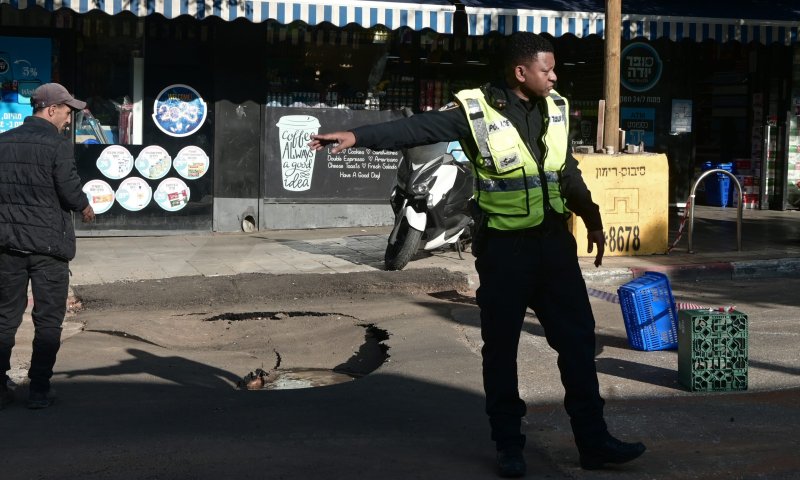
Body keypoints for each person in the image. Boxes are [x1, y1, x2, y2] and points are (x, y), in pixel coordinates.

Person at [309, 32, 645, 477]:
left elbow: (565, 171)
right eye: (547, 69)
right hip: (505, 250)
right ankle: (509, 445)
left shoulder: (557, 108)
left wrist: (593, 217)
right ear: (520, 72)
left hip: (553, 248)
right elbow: (417, 128)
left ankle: (593, 440)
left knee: (578, 344)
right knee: (501, 350)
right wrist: (357, 135)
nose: (555, 76)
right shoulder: (474, 110)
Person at [0, 82, 95, 410]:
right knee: (48, 320)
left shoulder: (3, 142)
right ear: (51, 109)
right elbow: (69, 191)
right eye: (67, 112)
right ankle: (39, 390)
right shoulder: (57, 145)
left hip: (8, 246)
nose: (69, 120)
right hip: (48, 248)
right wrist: (85, 206)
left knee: (4, 317)